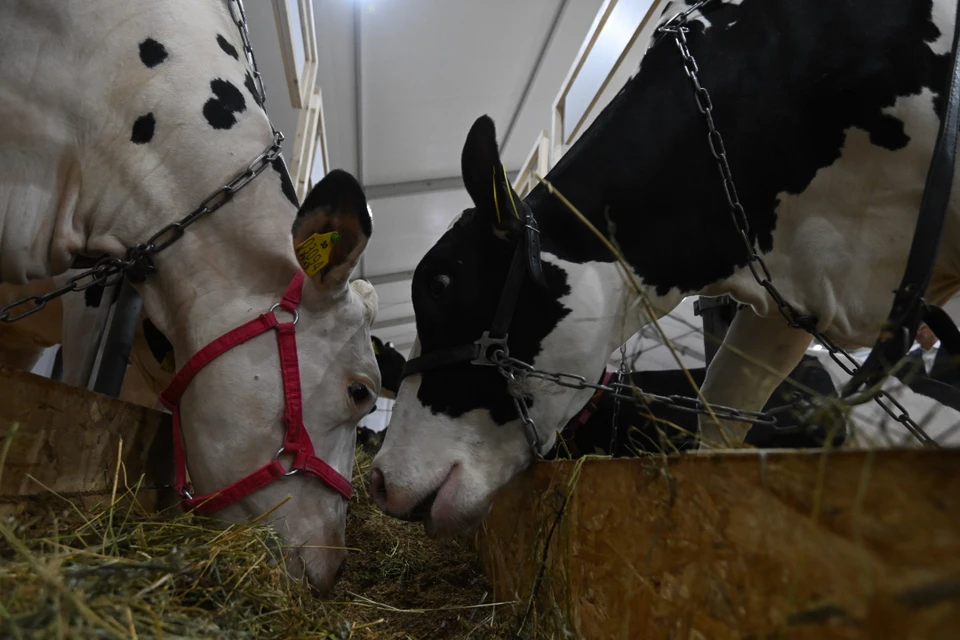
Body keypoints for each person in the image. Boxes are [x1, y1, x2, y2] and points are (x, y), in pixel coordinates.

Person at [905, 323, 960, 389]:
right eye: (915, 330)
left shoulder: (953, 348)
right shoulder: (911, 358)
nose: (918, 333)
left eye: (922, 328)